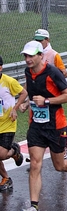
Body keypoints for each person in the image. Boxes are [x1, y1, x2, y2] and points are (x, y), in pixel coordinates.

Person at [20, 41, 67, 211]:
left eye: (31, 56)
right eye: (25, 56)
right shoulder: (28, 72)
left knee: (59, 166)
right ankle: (34, 206)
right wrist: (24, 104)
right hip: (36, 126)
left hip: (56, 125)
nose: (28, 59)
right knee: (35, 164)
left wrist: (46, 101)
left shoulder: (53, 72)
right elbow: (30, 90)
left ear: (40, 56)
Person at [0, 56, 26, 192]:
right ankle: (6, 178)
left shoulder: (9, 81)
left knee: (1, 154)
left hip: (7, 124)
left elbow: (24, 93)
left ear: (0, 67)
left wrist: (15, 108)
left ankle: (14, 150)